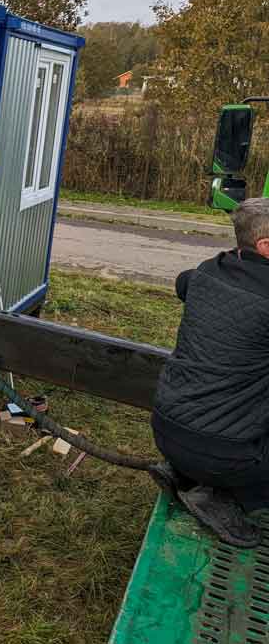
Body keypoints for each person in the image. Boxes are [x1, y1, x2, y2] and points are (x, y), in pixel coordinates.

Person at [151, 197, 269, 547]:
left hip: (167, 429)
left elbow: (182, 283)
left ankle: (184, 474)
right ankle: (221, 496)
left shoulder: (206, 271)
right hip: (224, 455)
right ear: (265, 246)